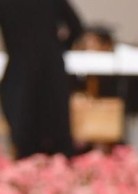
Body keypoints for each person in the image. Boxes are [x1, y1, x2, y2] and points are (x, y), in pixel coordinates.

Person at [0, 0, 83, 158]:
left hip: (20, 73)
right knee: (57, 148)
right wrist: (59, 47)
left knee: (25, 146)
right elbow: (77, 27)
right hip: (51, 72)